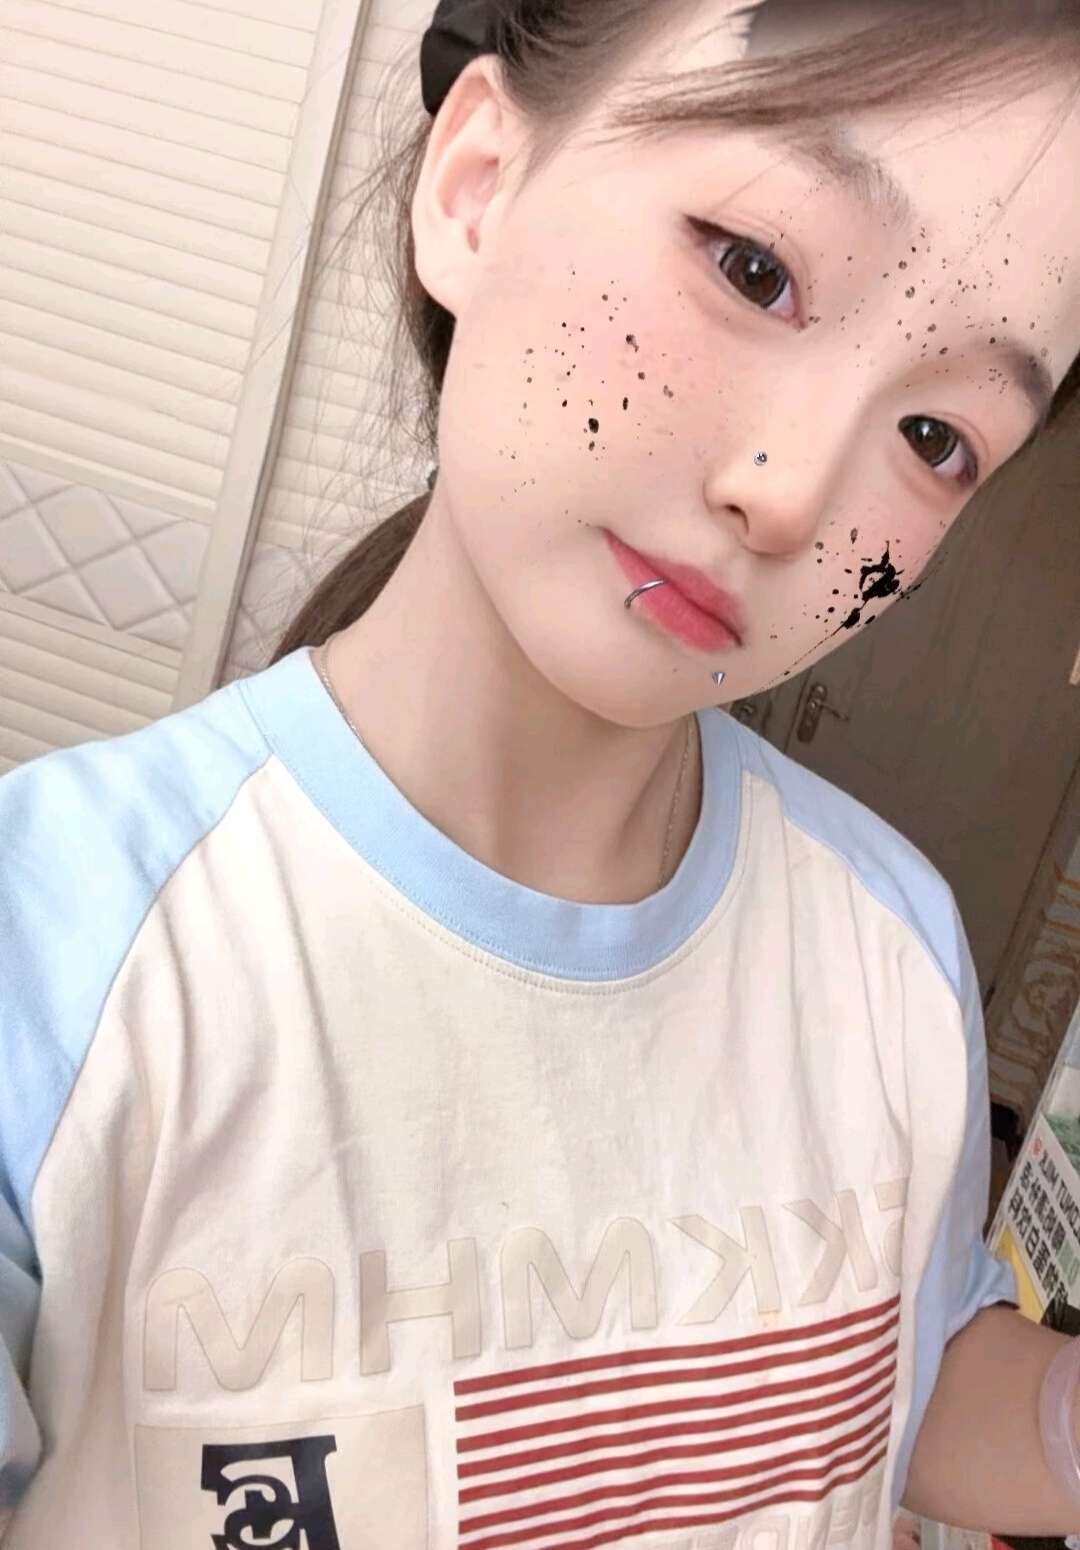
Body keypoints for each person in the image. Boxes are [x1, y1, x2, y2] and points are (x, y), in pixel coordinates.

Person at [2, 1, 1080, 1545]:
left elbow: (891, 1374)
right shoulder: (56, 954)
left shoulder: (891, 949)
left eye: (934, 433)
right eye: (754, 266)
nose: (788, 496)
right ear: (477, 183)